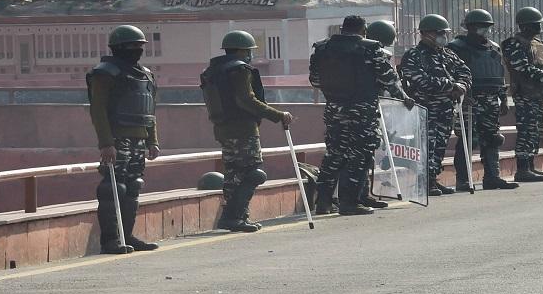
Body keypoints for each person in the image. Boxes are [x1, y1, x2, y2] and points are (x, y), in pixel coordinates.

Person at [309, 17, 415, 216]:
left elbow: (315, 80)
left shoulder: (322, 48)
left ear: (343, 29)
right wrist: (404, 97)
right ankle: (350, 202)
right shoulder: (370, 48)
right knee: (360, 154)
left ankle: (323, 202)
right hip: (362, 110)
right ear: (363, 30)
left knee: (334, 155)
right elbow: (389, 79)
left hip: (334, 110)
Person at [200, 30, 292, 232]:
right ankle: (234, 217)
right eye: (249, 51)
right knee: (253, 173)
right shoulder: (239, 69)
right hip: (243, 129)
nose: (250, 55)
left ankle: (234, 218)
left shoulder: (214, 71)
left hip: (223, 129)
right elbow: (246, 100)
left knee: (234, 175)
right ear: (243, 50)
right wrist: (277, 115)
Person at [86, 26, 160, 254]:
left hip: (139, 138)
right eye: (132, 46)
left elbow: (150, 111)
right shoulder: (105, 73)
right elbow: (98, 110)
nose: (137, 50)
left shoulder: (145, 73)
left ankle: (127, 236)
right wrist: (106, 143)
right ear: (118, 48)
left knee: (133, 188)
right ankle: (111, 240)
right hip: (117, 138)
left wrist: (152, 141)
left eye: (140, 46)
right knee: (113, 189)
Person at [398, 15, 472, 196]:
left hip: (446, 108)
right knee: (426, 145)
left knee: (440, 145)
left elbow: (465, 72)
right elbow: (420, 80)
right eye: (439, 33)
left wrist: (461, 85)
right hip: (425, 109)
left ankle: (433, 178)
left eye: (444, 33)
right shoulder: (414, 55)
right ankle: (424, 181)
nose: (443, 37)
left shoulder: (447, 54)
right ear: (426, 34)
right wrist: (450, 85)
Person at [447, 10, 519, 190]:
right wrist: (464, 95)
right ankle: (463, 180)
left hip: (491, 100)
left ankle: (492, 177)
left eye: (486, 27)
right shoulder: (456, 47)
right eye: (479, 27)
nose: (483, 30)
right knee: (468, 140)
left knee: (492, 138)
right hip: (469, 100)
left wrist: (503, 99)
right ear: (469, 28)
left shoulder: (493, 48)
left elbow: (499, 75)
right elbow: (451, 74)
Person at [501, 7, 543, 182]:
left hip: (538, 94)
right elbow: (523, 68)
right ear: (526, 26)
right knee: (526, 130)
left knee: (537, 130)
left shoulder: (537, 43)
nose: (539, 27)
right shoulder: (513, 43)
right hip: (525, 94)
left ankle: (531, 166)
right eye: (536, 24)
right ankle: (522, 169)